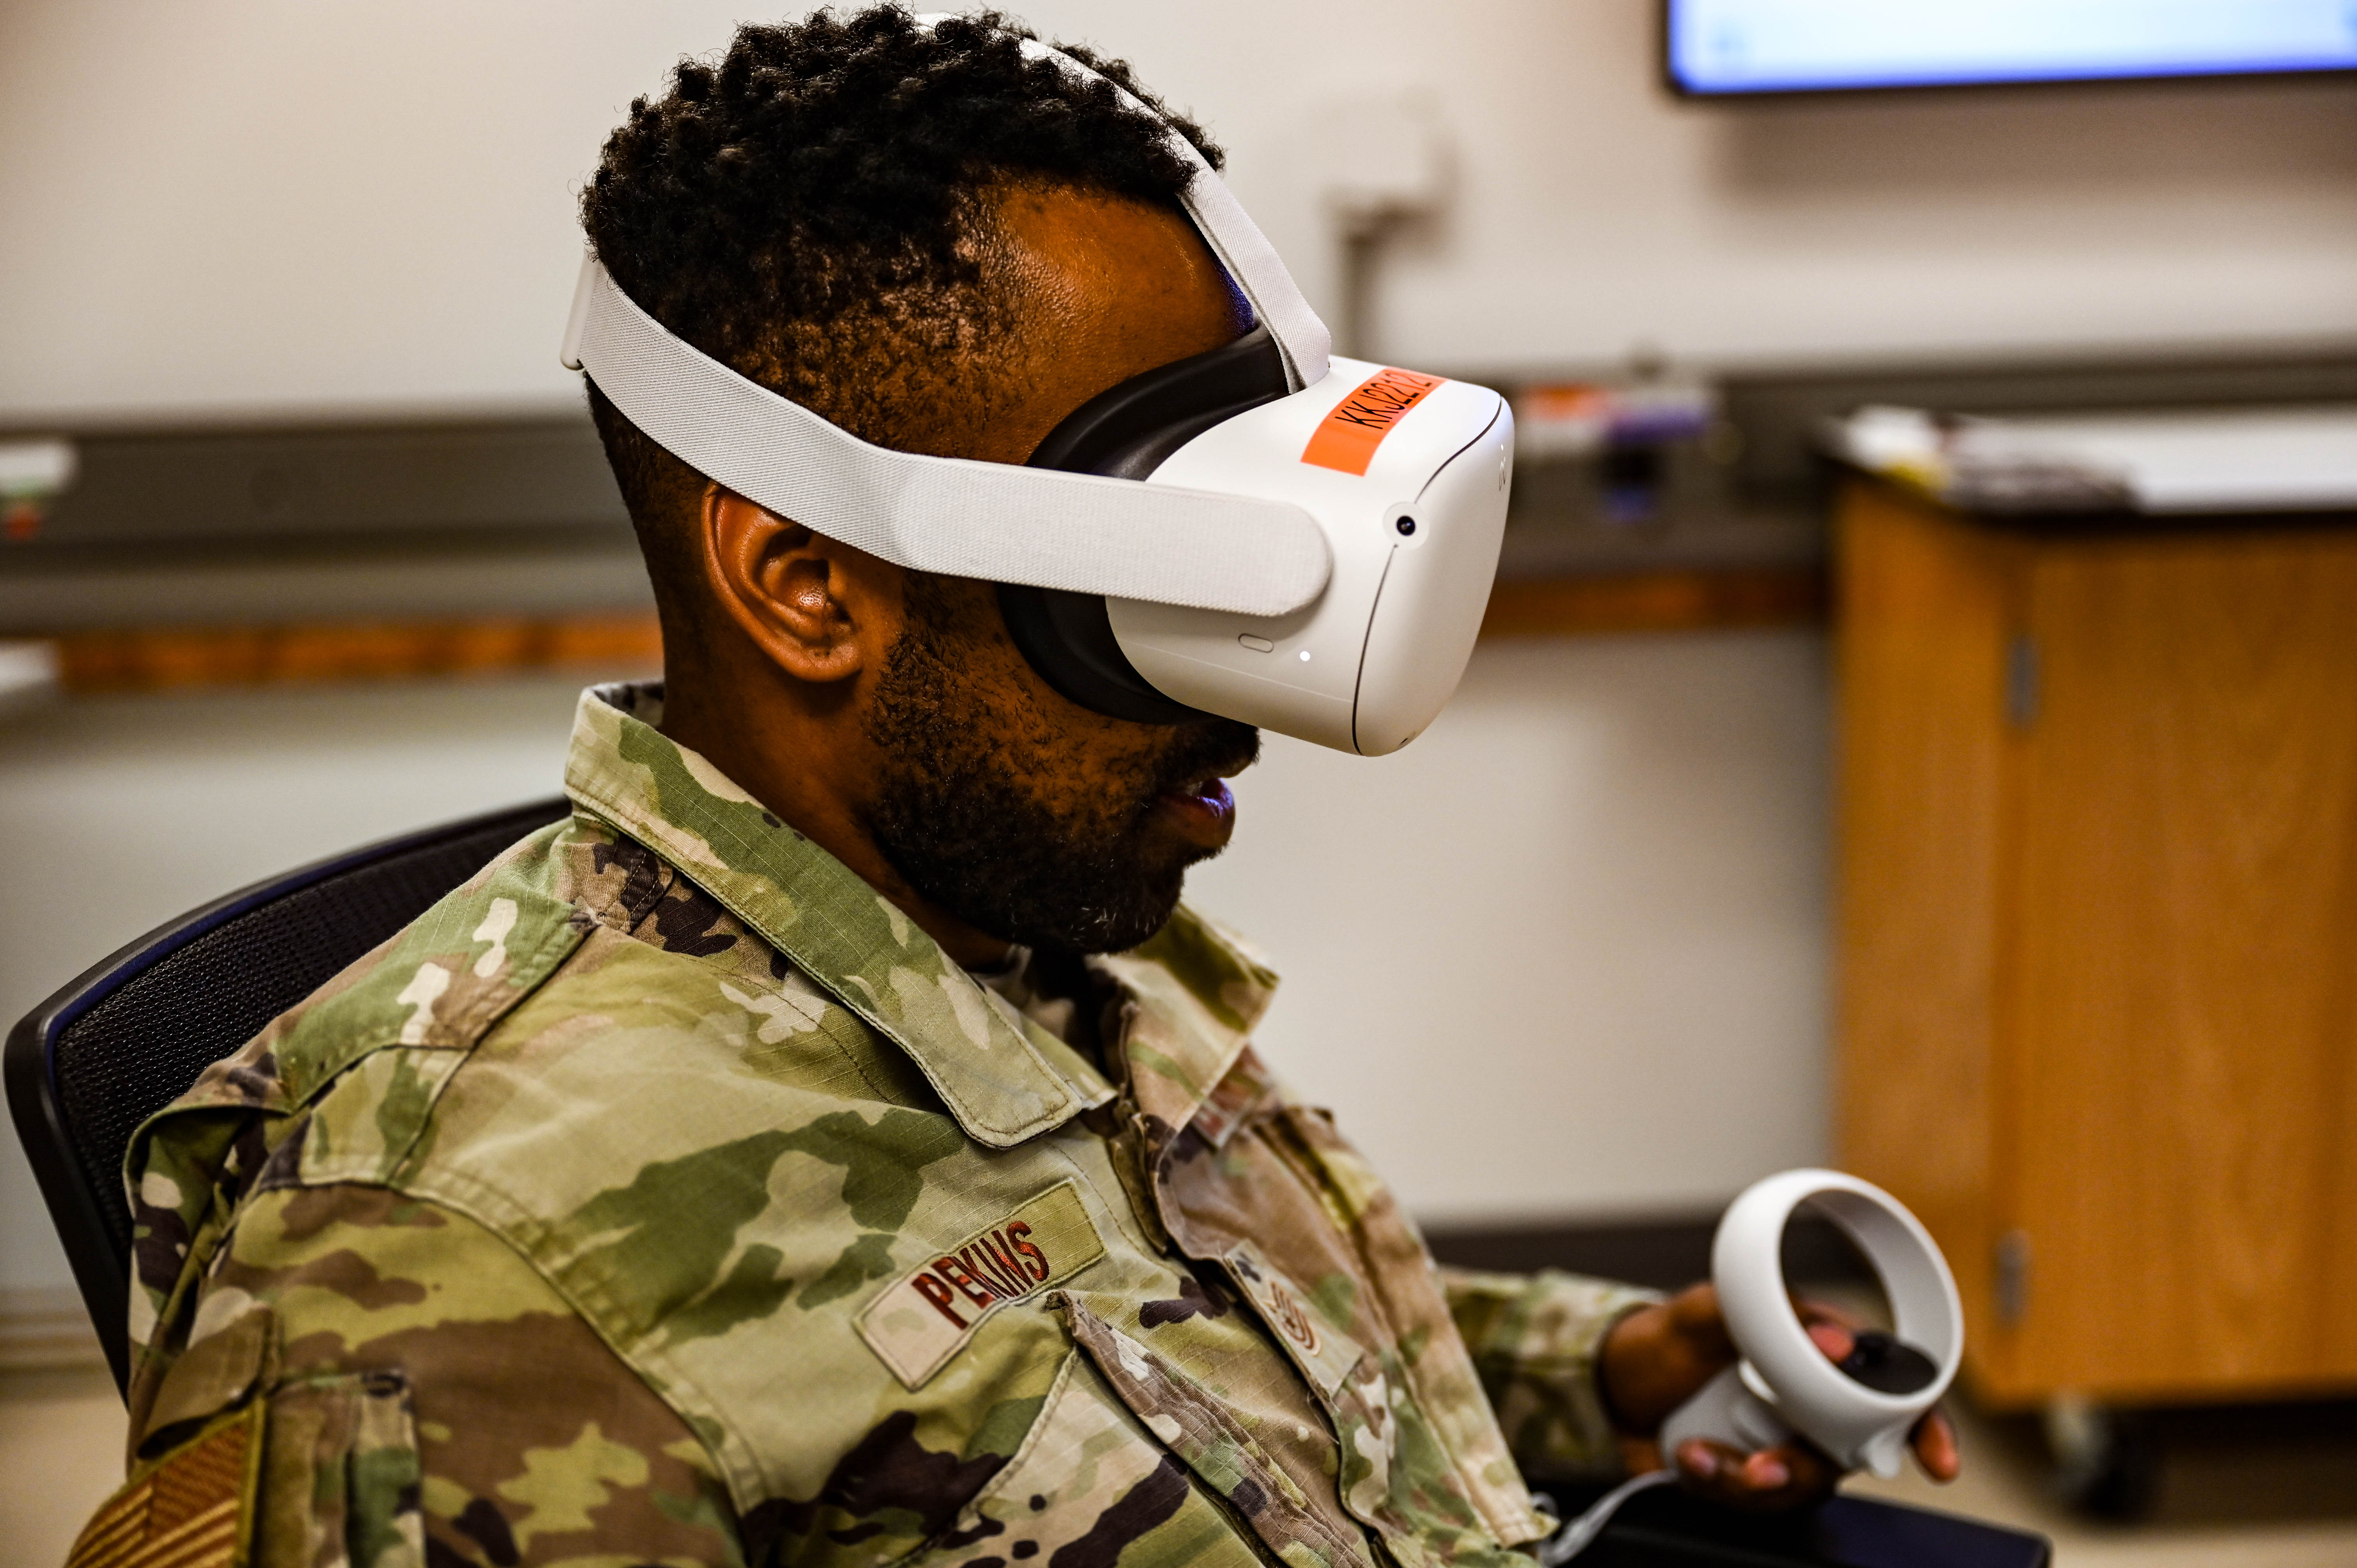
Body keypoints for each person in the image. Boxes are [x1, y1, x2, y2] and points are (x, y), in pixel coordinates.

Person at [75, 11, 1955, 1568]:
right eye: (1162, 581)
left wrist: (1596, 1371)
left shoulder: (1008, 912)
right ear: (808, 586)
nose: (1253, 700)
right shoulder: (452, 1268)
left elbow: (1155, 1321)